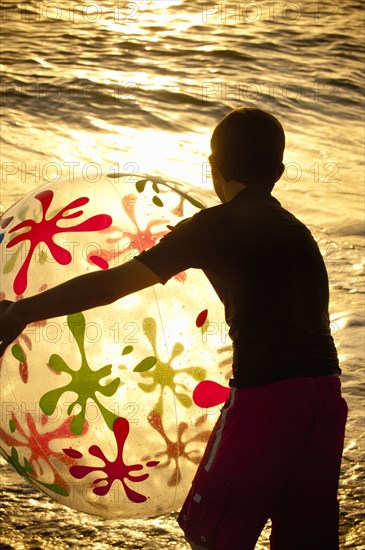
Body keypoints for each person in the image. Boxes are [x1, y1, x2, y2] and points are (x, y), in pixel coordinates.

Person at [0, 107, 347, 550]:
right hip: (324, 400)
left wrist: (21, 311)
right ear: (278, 172)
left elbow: (113, 283)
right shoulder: (298, 232)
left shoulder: (214, 227)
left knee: (214, 537)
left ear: (213, 166)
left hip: (266, 401)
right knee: (307, 540)